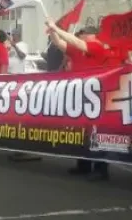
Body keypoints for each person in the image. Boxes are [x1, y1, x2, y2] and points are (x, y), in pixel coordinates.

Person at [45, 21, 127, 181]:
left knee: (97, 133)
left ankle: (101, 168)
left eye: (83, 33)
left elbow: (76, 42)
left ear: (91, 35)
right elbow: (60, 43)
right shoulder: (79, 50)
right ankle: (83, 165)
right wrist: (52, 32)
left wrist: (57, 28)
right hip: (82, 95)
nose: (80, 35)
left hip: (97, 97)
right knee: (83, 133)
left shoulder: (97, 47)